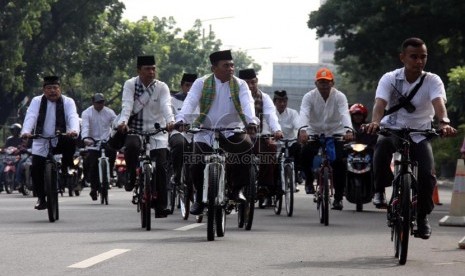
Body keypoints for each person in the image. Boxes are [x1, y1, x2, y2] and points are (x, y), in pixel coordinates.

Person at [363, 37, 457, 239]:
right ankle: (379, 189)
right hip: (392, 129)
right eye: (414, 57)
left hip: (419, 133)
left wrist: (444, 123)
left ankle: (422, 218)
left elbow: (439, 103)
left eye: (423, 57)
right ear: (402, 57)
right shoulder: (389, 78)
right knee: (381, 148)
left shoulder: (432, 80)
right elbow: (380, 103)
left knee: (427, 174)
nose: (419, 61)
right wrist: (376, 122)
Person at [175, 50, 258, 215]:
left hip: (232, 130)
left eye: (232, 65)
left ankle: (237, 189)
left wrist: (251, 122)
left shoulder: (240, 84)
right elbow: (190, 101)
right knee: (196, 161)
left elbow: (247, 103)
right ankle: (199, 198)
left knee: (247, 146)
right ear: (214, 68)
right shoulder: (201, 83)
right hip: (205, 131)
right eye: (226, 65)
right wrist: (181, 119)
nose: (231, 69)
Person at [113, 55, 175, 218]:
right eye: (147, 69)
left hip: (157, 131)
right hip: (135, 129)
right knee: (132, 147)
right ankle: (132, 174)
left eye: (153, 68)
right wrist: (124, 122)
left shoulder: (162, 87)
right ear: (139, 70)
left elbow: (166, 106)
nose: (151, 72)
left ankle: (162, 205)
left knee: (161, 167)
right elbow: (126, 105)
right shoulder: (130, 84)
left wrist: (170, 121)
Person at [21, 76, 80, 210]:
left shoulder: (68, 101)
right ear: (44, 90)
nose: (52, 91)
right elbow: (31, 116)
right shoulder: (37, 101)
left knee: (70, 141)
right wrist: (26, 132)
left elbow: (72, 116)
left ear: (60, 89)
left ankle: (66, 167)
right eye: (49, 88)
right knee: (36, 168)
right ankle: (41, 198)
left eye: (55, 88)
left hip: (60, 138)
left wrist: (74, 130)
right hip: (41, 139)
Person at [299, 68, 353, 210]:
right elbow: (304, 113)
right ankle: (309, 181)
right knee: (305, 153)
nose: (324, 85)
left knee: (340, 163)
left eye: (327, 82)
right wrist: (303, 130)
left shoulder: (339, 96)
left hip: (335, 132)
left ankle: (338, 198)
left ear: (332, 83)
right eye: (321, 82)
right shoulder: (309, 97)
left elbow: (344, 113)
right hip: (314, 131)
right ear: (316, 83)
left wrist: (348, 130)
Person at [239, 68, 283, 204]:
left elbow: (271, 116)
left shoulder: (264, 98)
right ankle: (234, 186)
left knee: (270, 148)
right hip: (237, 135)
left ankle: (263, 186)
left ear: (257, 81)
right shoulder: (232, 96)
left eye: (253, 82)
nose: (251, 86)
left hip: (257, 135)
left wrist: (277, 130)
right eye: (247, 83)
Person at [81, 93, 117, 201]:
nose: (100, 104)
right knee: (92, 165)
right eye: (98, 102)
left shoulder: (109, 112)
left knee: (113, 152)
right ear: (93, 103)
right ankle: (93, 188)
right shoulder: (87, 113)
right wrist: (85, 139)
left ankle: (109, 173)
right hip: (93, 142)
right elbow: (85, 127)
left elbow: (116, 124)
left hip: (106, 140)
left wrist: (115, 136)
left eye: (102, 102)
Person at [169, 73, 197, 187]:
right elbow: (169, 117)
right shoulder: (172, 100)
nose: (190, 89)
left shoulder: (202, 100)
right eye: (187, 85)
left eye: (193, 86)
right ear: (182, 86)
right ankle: (176, 173)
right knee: (180, 144)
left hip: (197, 133)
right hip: (178, 132)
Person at [273, 90, 304, 189]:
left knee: (299, 147)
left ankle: (297, 173)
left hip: (290, 143)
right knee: (272, 166)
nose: (282, 104)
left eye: (284, 101)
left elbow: (298, 125)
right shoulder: (271, 113)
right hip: (276, 145)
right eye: (279, 101)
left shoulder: (293, 113)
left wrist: (301, 133)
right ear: (275, 102)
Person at [0, 123, 27, 192]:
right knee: (1, 168)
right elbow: (5, 147)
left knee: (19, 167)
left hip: (19, 157)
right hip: (9, 157)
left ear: (19, 130)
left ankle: (18, 182)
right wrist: (2, 150)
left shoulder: (22, 139)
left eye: (16, 130)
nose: (14, 132)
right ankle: (0, 185)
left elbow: (24, 147)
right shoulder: (9, 139)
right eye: (13, 130)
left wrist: (20, 150)